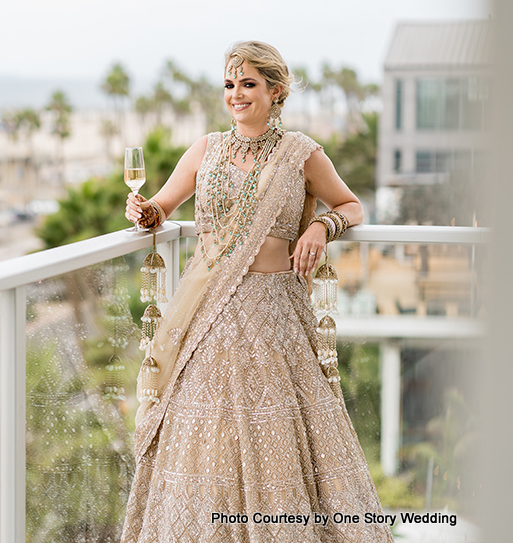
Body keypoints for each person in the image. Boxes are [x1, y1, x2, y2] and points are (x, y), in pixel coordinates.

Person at [120, 41, 394, 542]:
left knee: (278, 437)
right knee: (208, 435)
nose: (236, 94)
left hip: (273, 315)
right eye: (230, 84)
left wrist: (320, 228)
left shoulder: (301, 153)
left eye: (248, 83)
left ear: (276, 90)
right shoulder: (206, 149)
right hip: (209, 312)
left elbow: (352, 205)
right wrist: (144, 212)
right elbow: (160, 206)